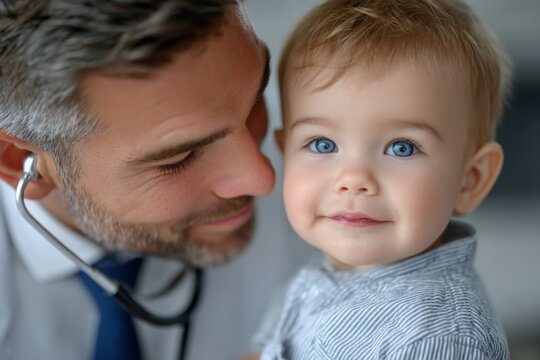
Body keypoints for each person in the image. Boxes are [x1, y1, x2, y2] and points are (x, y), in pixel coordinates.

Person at [0, 0, 276, 359]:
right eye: (179, 159)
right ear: (22, 161)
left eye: (255, 101)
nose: (263, 178)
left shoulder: (343, 171)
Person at [252, 0, 513, 358]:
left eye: (402, 148)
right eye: (322, 143)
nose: (354, 180)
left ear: (469, 180)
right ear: (286, 153)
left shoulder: (437, 335)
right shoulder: (318, 273)